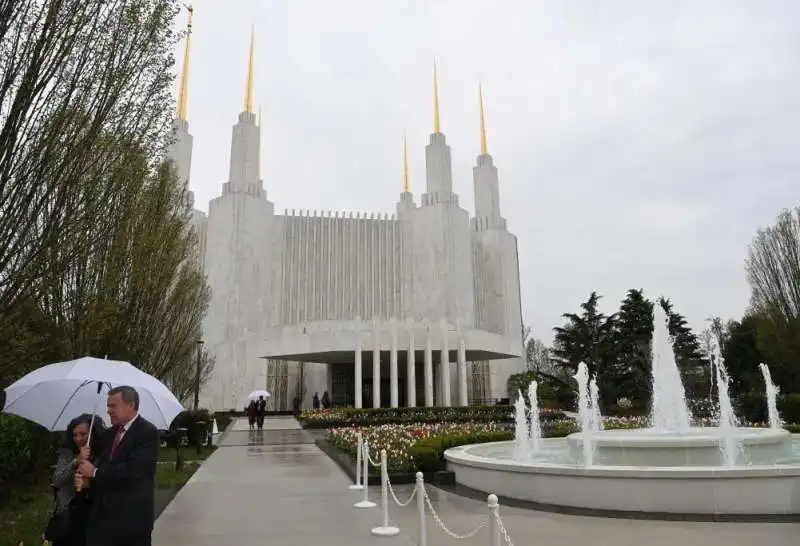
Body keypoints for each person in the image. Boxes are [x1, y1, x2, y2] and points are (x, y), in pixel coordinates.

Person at [76, 385, 159, 546]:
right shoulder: (110, 434)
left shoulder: (147, 433)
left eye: (113, 406)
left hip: (131, 524)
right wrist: (89, 482)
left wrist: (94, 473)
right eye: (108, 406)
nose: (108, 410)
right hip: (103, 522)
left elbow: (133, 471)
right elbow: (106, 470)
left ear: (131, 405)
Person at [48, 414, 106, 546]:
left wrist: (89, 482)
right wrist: (76, 461)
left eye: (83, 434)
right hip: (68, 514)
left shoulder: (103, 454)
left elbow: (107, 481)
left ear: (93, 434)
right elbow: (57, 480)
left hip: (93, 513)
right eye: (74, 435)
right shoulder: (67, 453)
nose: (78, 439)